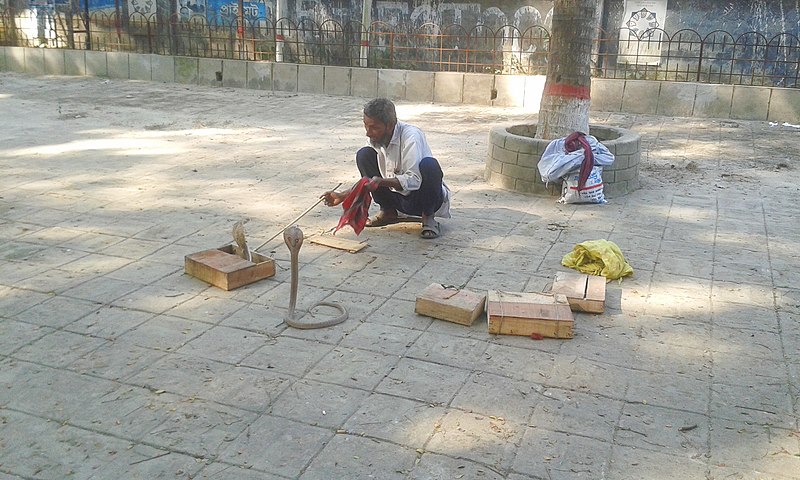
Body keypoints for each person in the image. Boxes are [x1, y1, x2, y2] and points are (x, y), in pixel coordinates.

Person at [322, 98, 450, 239]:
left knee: (430, 165)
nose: (368, 133)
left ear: (390, 126)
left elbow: (414, 180)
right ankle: (388, 210)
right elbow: (368, 182)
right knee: (363, 155)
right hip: (397, 198)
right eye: (366, 126)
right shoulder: (375, 139)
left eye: (374, 127)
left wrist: (381, 182)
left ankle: (428, 217)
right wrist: (342, 196)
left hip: (421, 198)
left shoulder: (411, 136)